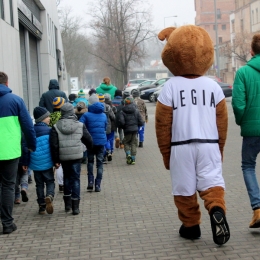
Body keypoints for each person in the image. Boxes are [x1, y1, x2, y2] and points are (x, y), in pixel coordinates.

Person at [0, 71, 36, 234]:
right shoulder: (16, 100)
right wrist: (31, 145)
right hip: (10, 151)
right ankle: (7, 223)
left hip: (10, 151)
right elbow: (28, 126)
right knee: (8, 185)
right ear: (6, 84)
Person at [232, 33, 260, 228]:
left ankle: (258, 209)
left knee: (248, 166)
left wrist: (243, 122)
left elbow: (238, 104)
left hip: (252, 131)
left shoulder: (243, 73)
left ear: (251, 51)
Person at [50, 103, 93, 215]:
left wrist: (56, 160)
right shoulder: (79, 125)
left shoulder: (56, 126)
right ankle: (75, 207)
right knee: (76, 179)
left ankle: (67, 205)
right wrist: (88, 148)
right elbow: (89, 140)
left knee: (67, 178)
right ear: (72, 112)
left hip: (63, 156)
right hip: (76, 156)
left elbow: (54, 145)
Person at [30, 106, 55, 215]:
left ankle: (41, 206)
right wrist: (56, 161)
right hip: (47, 163)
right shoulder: (49, 131)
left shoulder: (30, 132)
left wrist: (25, 163)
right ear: (42, 118)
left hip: (35, 164)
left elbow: (26, 148)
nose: (49, 118)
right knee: (50, 181)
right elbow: (54, 147)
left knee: (39, 184)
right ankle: (49, 196)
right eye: (47, 117)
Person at [79, 94, 107, 192]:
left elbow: (80, 125)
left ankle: (90, 182)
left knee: (90, 162)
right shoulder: (103, 115)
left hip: (89, 142)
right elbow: (106, 127)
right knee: (100, 164)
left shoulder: (86, 115)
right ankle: (98, 185)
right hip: (101, 142)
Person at [118, 97, 144, 165]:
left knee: (126, 142)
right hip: (135, 130)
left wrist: (123, 127)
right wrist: (137, 125)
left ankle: (128, 154)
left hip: (127, 130)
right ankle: (133, 158)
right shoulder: (136, 111)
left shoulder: (122, 111)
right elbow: (141, 122)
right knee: (134, 143)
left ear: (125, 103)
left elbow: (122, 122)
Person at [49, 97, 66, 193]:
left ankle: (61, 184)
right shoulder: (63, 115)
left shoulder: (50, 116)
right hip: (63, 141)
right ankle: (66, 182)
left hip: (54, 142)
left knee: (58, 164)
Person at [98, 93, 115, 162]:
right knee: (107, 140)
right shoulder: (108, 106)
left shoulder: (96, 107)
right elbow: (113, 117)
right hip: (108, 125)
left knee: (102, 142)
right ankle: (109, 150)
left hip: (100, 126)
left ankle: (104, 157)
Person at [14, 134, 30, 204]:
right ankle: (24, 188)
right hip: (23, 158)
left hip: (14, 159)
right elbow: (26, 148)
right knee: (24, 174)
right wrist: (26, 162)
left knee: (15, 178)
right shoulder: (23, 133)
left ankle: (17, 198)